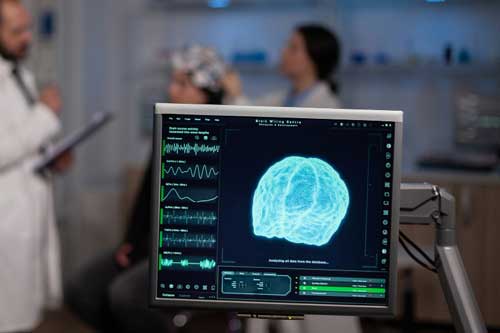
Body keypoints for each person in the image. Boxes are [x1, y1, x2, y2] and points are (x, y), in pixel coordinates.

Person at [65, 45, 229, 333]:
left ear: (206, 93)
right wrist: (130, 241)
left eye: (182, 84)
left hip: (190, 254)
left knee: (125, 295)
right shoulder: (169, 126)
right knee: (80, 288)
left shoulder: (223, 137)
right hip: (147, 245)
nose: (171, 89)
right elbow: (147, 194)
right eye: (173, 81)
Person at [0, 0, 71, 332]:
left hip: (30, 210)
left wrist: (53, 153)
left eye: (28, 28)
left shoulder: (20, 75)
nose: (28, 37)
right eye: (17, 31)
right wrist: (45, 114)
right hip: (7, 219)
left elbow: (24, 136)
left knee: (27, 315)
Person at [224, 24, 341, 109]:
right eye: (286, 45)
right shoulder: (286, 98)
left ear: (314, 59)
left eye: (293, 48)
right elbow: (254, 111)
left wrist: (236, 95)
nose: (283, 52)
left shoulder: (325, 107)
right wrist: (234, 95)